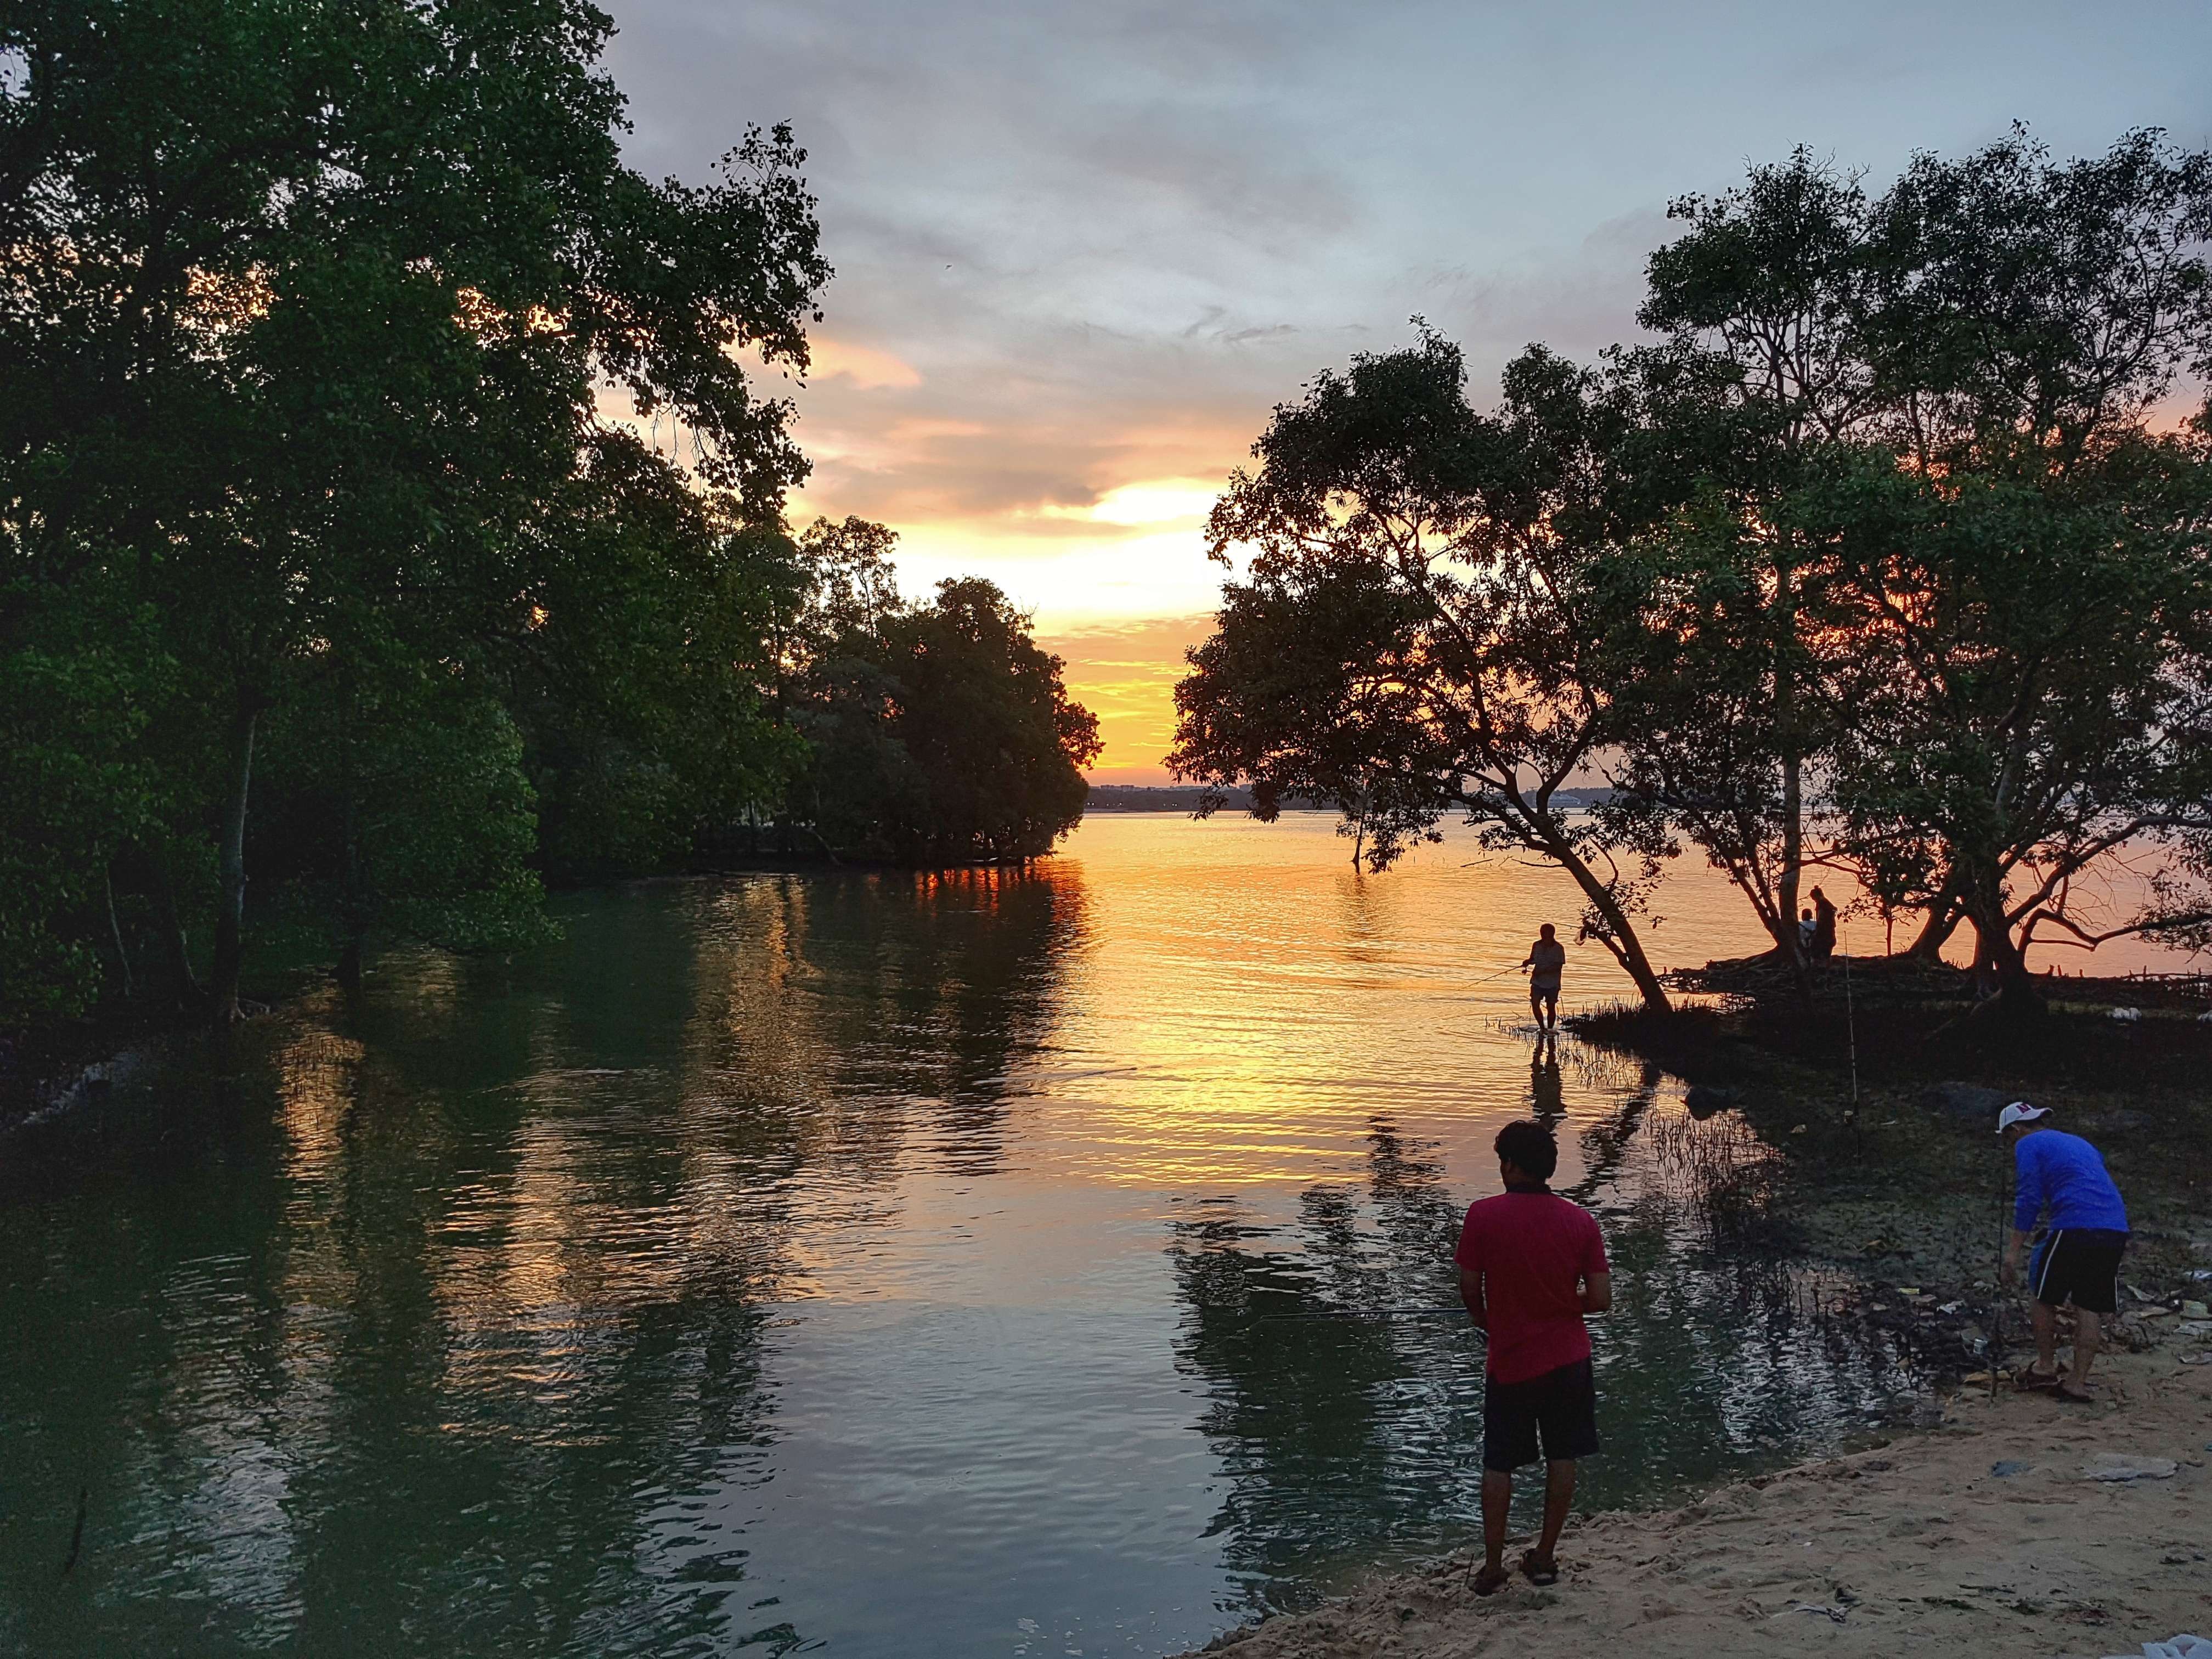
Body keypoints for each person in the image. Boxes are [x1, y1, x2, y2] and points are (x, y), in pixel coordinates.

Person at [1455, 1119, 1610, 1595]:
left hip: (1512, 1362)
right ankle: (1544, 1557)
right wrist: (1561, 1303)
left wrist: (1486, 1317)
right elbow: (1600, 1299)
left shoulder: (1483, 1215)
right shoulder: (1581, 1222)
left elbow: (1469, 1287)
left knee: (1499, 1462)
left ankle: (1492, 1567)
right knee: (1562, 1455)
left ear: (1509, 1165)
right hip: (1569, 1360)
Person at [1998, 1102, 2129, 1402]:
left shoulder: (2027, 1144)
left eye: (2007, 1138)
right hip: (2114, 1227)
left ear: (2015, 1130)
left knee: (2043, 1295)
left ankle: (2045, 1366)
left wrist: (2012, 1254)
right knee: (2089, 1304)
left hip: (2074, 1226)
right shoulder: (2078, 1142)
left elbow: (2029, 1199)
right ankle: (2076, 1382)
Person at [1521, 924, 1566, 1034]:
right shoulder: (1536, 945)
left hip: (1552, 983)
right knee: (1535, 1004)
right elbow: (1533, 959)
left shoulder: (1559, 948)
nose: (1542, 934)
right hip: (1537, 981)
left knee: (1551, 1007)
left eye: (1545, 932)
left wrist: (1544, 972)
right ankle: (1542, 1028)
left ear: (1552, 933)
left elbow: (1558, 966)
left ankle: (1550, 1030)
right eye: (1542, 932)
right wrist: (1527, 962)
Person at [1808, 887, 1837, 964]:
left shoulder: (1822, 903)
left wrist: (1817, 930)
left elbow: (1821, 918)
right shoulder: (1825, 903)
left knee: (1820, 949)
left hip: (1825, 931)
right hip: (1827, 930)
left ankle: (1821, 965)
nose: (1813, 900)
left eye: (1813, 898)